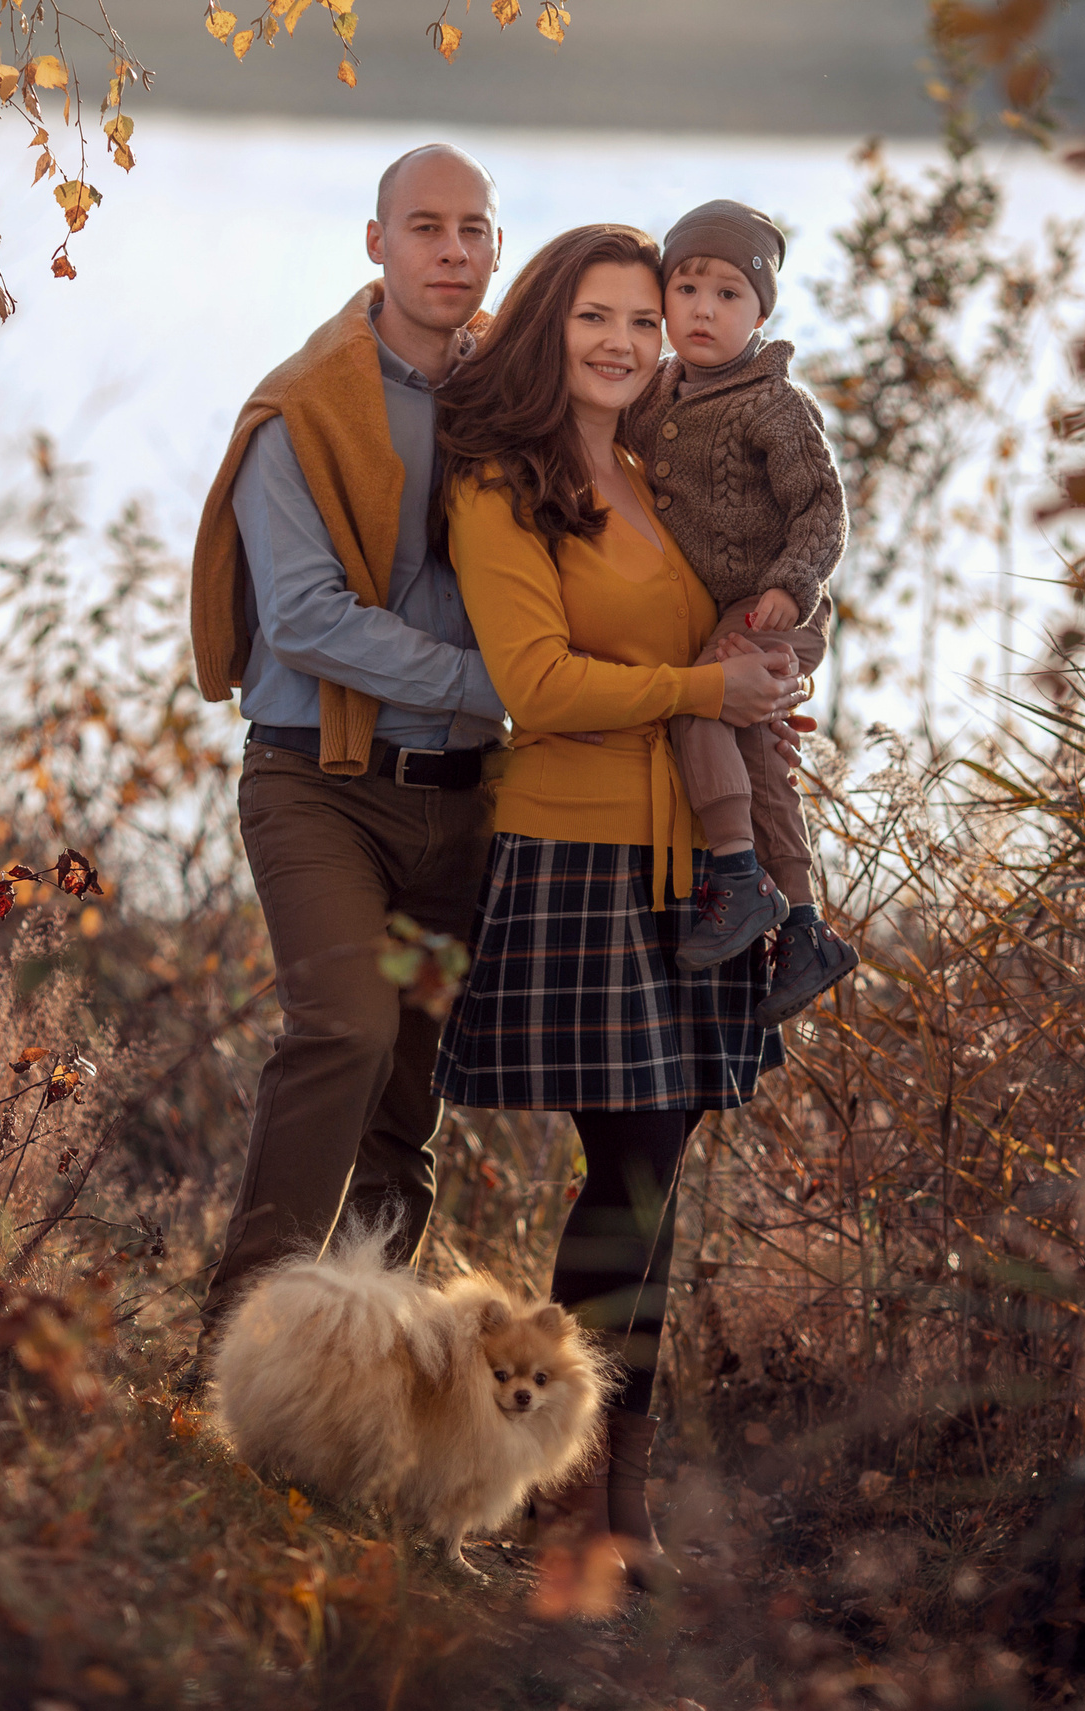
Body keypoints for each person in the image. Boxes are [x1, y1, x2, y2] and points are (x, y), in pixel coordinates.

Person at [429, 224, 805, 1572]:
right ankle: (570, 1492)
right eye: (597, 315)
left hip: (691, 859)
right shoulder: (502, 487)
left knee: (655, 1173)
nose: (626, 341)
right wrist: (710, 690)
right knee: (633, 1170)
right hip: (580, 853)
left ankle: (602, 1488)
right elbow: (536, 683)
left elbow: (708, 639)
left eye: (645, 320)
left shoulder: (653, 475)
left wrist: (757, 693)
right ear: (548, 324)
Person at [183, 145, 506, 1369]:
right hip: (319, 784)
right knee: (346, 1033)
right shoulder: (305, 406)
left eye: (473, 228)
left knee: (409, 1091)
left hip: (463, 801)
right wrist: (496, 686)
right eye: (425, 226)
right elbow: (308, 619)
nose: (452, 251)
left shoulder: (513, 394)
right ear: (376, 242)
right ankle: (236, 1351)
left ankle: (355, 1374)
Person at [624, 198, 859, 1024]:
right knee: (758, 753)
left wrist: (791, 585)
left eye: (728, 294)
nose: (703, 309)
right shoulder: (656, 391)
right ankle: (804, 927)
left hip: (771, 606)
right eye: (686, 289)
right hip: (723, 610)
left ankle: (735, 874)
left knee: (702, 707)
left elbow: (823, 506)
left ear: (761, 314)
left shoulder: (773, 404)